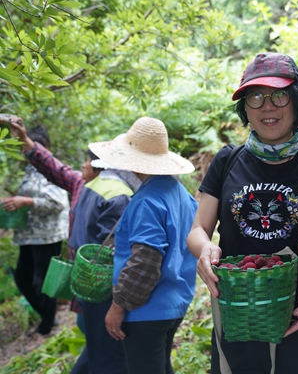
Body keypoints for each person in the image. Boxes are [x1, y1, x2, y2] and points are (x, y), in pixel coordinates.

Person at [186, 52, 298, 374]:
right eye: (256, 96)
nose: (267, 106)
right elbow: (198, 229)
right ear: (245, 109)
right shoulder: (226, 161)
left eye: (279, 96)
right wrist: (205, 250)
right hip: (237, 311)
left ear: (297, 103)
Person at [8, 117, 134, 374]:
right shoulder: (82, 184)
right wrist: (26, 142)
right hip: (86, 286)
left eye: (86, 160)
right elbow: (54, 168)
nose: (82, 164)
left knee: (103, 346)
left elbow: (110, 249)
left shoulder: (113, 193)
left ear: (98, 166)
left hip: (99, 286)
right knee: (93, 338)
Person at [90, 116, 198, 374]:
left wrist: (118, 307)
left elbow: (146, 262)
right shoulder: (180, 192)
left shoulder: (147, 200)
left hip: (146, 310)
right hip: (173, 303)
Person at [1, 125, 69, 336]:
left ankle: (47, 325)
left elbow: (58, 203)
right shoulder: (30, 171)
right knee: (23, 279)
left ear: (44, 146)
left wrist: (27, 201)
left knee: (43, 283)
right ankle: (47, 317)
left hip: (47, 237)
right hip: (28, 236)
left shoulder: (53, 170)